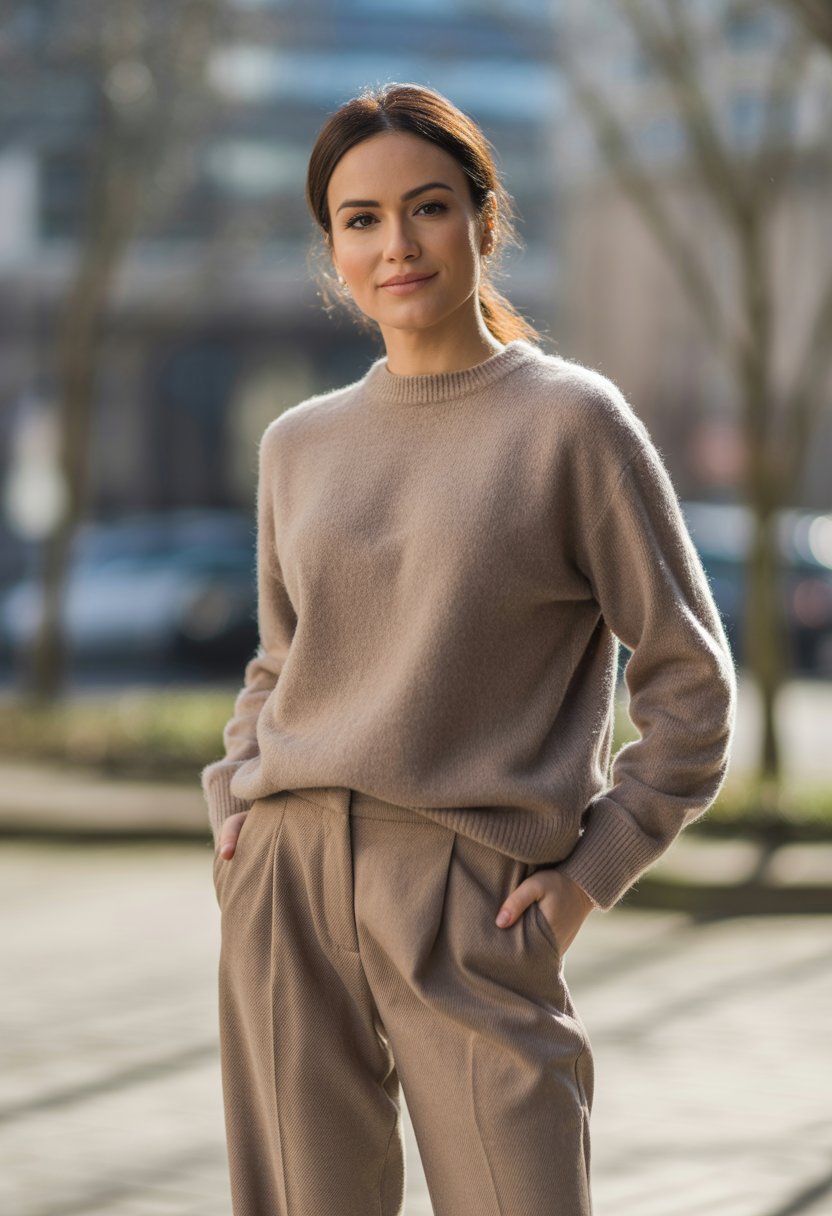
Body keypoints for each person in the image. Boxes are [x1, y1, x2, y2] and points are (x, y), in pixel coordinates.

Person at [202, 81, 737, 1216]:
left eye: (427, 207)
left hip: (471, 890)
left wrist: (586, 880)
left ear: (483, 223)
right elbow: (279, 658)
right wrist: (235, 812)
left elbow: (690, 685)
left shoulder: (570, 423)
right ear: (332, 248)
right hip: (286, 881)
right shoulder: (297, 445)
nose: (396, 244)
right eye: (360, 219)